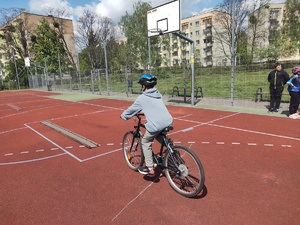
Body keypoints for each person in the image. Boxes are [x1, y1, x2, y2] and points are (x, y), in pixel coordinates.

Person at [120, 74, 173, 177]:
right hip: (167, 121)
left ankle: (149, 168)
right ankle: (170, 147)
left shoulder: (142, 98)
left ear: (144, 86)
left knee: (145, 141)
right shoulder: (158, 94)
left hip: (156, 124)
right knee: (157, 134)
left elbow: (131, 110)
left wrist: (123, 116)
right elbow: (154, 107)